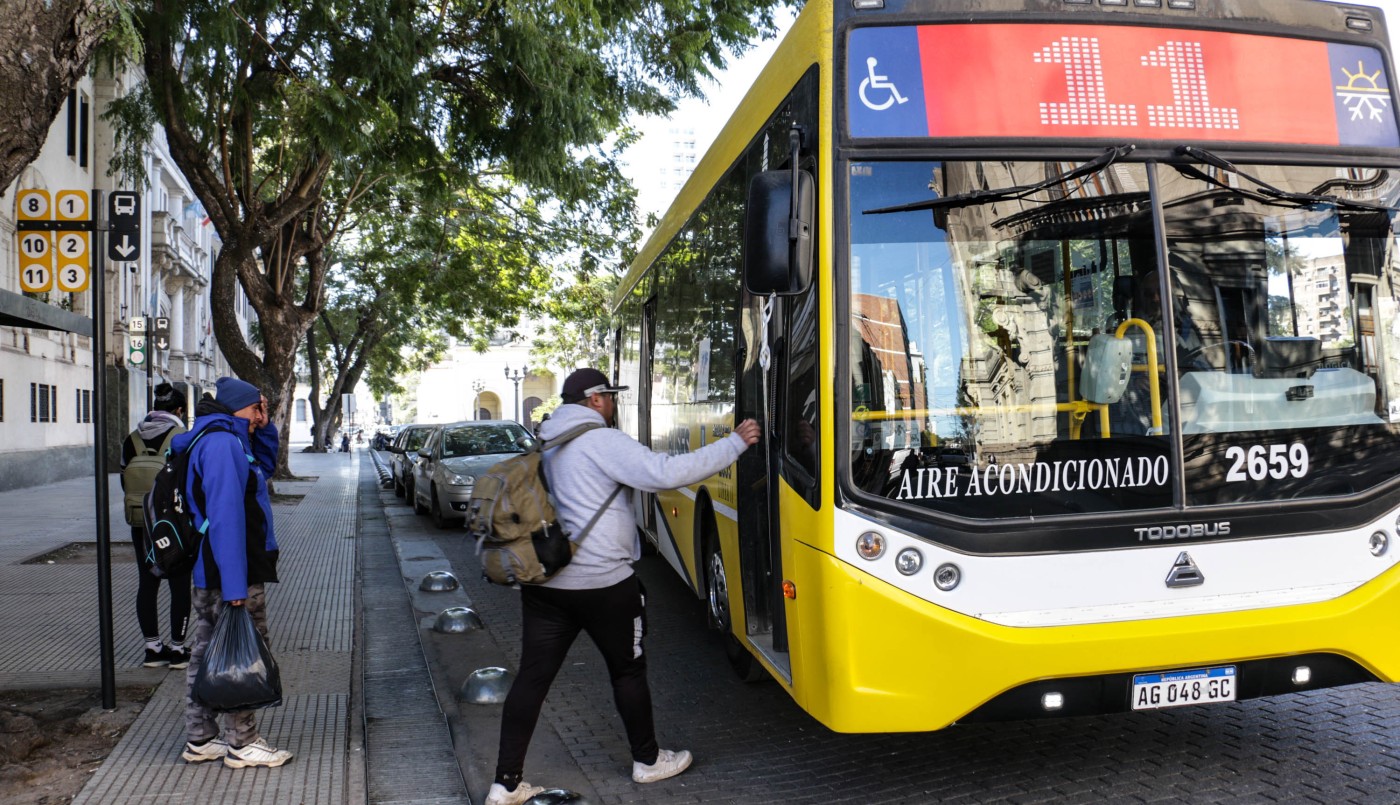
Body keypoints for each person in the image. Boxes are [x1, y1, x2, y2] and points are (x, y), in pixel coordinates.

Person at [486, 367, 761, 805]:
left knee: (532, 680)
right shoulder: (601, 440)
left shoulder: (544, 441)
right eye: (610, 396)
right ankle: (648, 761)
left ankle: (505, 784)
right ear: (595, 399)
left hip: (546, 585)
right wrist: (735, 442)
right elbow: (667, 473)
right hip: (604, 585)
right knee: (627, 671)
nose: (613, 404)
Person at [174, 377, 293, 769]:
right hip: (229, 569)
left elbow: (264, 468)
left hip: (216, 568)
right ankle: (243, 742)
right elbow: (225, 516)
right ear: (241, 407)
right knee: (241, 655)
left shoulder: (220, 437)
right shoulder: (224, 444)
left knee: (208, 652)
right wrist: (236, 586)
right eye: (257, 406)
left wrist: (264, 423)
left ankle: (201, 738)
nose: (262, 412)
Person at [119, 382, 191, 669]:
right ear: (179, 410)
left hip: (140, 521)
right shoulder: (181, 437)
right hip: (173, 523)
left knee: (147, 582)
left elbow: (124, 479)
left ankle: (152, 648)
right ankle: (177, 648)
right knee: (179, 583)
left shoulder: (132, 438)